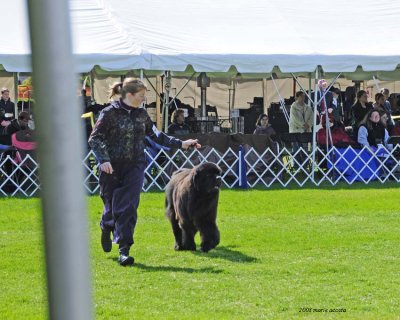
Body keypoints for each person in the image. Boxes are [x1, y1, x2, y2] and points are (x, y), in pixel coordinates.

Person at [88, 78, 200, 266]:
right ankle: (106, 225)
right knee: (111, 205)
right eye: (141, 96)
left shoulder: (141, 115)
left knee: (127, 207)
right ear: (129, 95)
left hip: (135, 165)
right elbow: (95, 139)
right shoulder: (108, 114)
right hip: (111, 167)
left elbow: (156, 135)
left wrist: (181, 144)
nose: (144, 99)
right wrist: (104, 160)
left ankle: (124, 249)